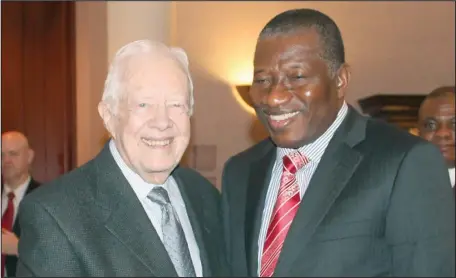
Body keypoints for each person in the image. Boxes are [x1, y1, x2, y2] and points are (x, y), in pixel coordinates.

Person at [221, 8, 455, 277]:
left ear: (340, 79)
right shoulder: (239, 172)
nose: (273, 97)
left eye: (296, 77)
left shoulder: (405, 163)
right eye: (262, 80)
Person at [16, 40, 227, 277]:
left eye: (176, 104)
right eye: (143, 104)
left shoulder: (206, 195)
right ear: (108, 116)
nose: (162, 122)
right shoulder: (55, 216)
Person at [1, 131, 40, 277]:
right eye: (1, 155)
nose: (6, 161)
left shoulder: (46, 199)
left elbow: (57, 253)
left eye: (13, 154)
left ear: (29, 156)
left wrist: (19, 248)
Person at [418, 86, 455, 188]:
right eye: (431, 125)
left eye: (454, 124)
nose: (442, 133)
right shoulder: (400, 184)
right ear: (418, 133)